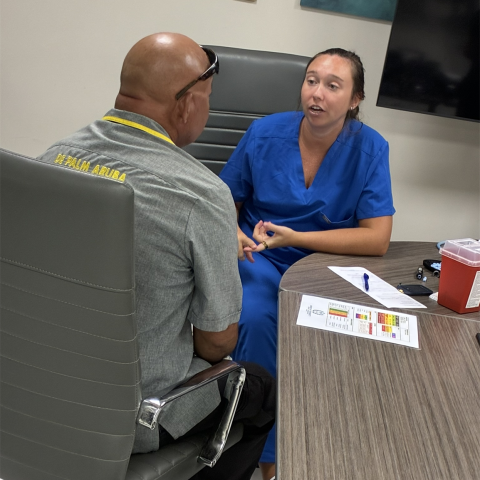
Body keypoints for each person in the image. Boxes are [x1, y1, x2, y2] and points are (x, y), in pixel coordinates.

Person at [35, 33, 275, 480]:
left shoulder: (53, 157)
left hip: (35, 386)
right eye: (208, 98)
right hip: (131, 418)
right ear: (185, 105)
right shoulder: (202, 196)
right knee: (258, 386)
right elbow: (216, 343)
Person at [219, 48, 395, 479]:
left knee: (343, 334)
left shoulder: (370, 149)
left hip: (324, 265)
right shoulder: (264, 133)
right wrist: (236, 232)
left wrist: (299, 238)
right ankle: (263, 454)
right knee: (260, 317)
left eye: (333, 86)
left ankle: (330, 439)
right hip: (260, 256)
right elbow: (221, 199)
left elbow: (376, 238)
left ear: (355, 100)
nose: (317, 93)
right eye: (311, 81)